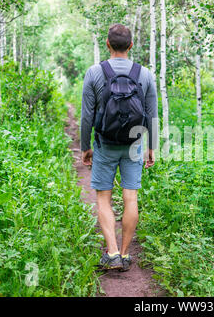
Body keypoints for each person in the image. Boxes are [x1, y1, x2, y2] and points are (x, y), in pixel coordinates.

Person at [80, 23, 158, 272]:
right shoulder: (144, 74)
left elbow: (86, 116)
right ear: (131, 45)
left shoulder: (94, 72)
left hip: (104, 144)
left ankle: (112, 252)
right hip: (135, 144)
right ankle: (125, 255)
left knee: (103, 197)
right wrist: (152, 147)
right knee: (130, 197)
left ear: (107, 44)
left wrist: (85, 147)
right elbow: (152, 114)